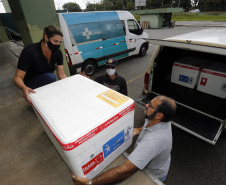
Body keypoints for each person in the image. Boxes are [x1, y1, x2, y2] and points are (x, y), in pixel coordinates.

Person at [72, 95, 177, 185]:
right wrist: (137, 130)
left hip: (152, 175)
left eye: (150, 105)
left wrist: (91, 183)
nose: (146, 105)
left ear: (159, 115)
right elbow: (147, 127)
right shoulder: (160, 120)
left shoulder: (153, 142)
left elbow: (125, 171)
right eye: (149, 102)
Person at [13, 25, 67, 104]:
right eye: (55, 41)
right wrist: (24, 88)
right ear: (46, 38)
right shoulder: (29, 51)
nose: (58, 45)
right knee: (51, 77)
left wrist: (71, 84)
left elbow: (61, 75)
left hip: (46, 81)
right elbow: (17, 77)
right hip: (30, 83)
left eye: (60, 42)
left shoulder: (57, 53)